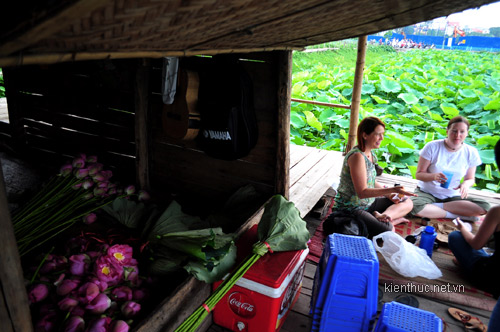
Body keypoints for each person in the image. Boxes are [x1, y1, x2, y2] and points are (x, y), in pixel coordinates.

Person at [335, 116, 416, 237]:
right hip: (352, 208)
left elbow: (371, 181)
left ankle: (384, 217)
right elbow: (362, 192)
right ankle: (386, 221)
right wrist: (392, 189)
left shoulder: (371, 153)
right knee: (388, 231)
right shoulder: (357, 157)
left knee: (407, 202)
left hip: (368, 203)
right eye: (378, 134)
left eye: (382, 134)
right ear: (365, 135)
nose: (382, 138)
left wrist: (390, 195)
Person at [448, 138, 500, 300]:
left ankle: (469, 263)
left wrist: (463, 228)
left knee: (456, 237)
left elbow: (476, 243)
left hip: (492, 278)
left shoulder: (497, 211)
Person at [410, 116, 490, 221]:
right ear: (447, 131)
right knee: (413, 206)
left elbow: (470, 179)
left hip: (452, 196)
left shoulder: (471, 152)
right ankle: (455, 215)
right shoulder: (432, 146)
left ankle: (433, 208)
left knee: (485, 207)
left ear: (467, 133)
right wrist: (434, 176)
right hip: (427, 192)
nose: (458, 135)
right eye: (454, 131)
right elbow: (419, 174)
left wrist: (465, 184)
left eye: (462, 132)